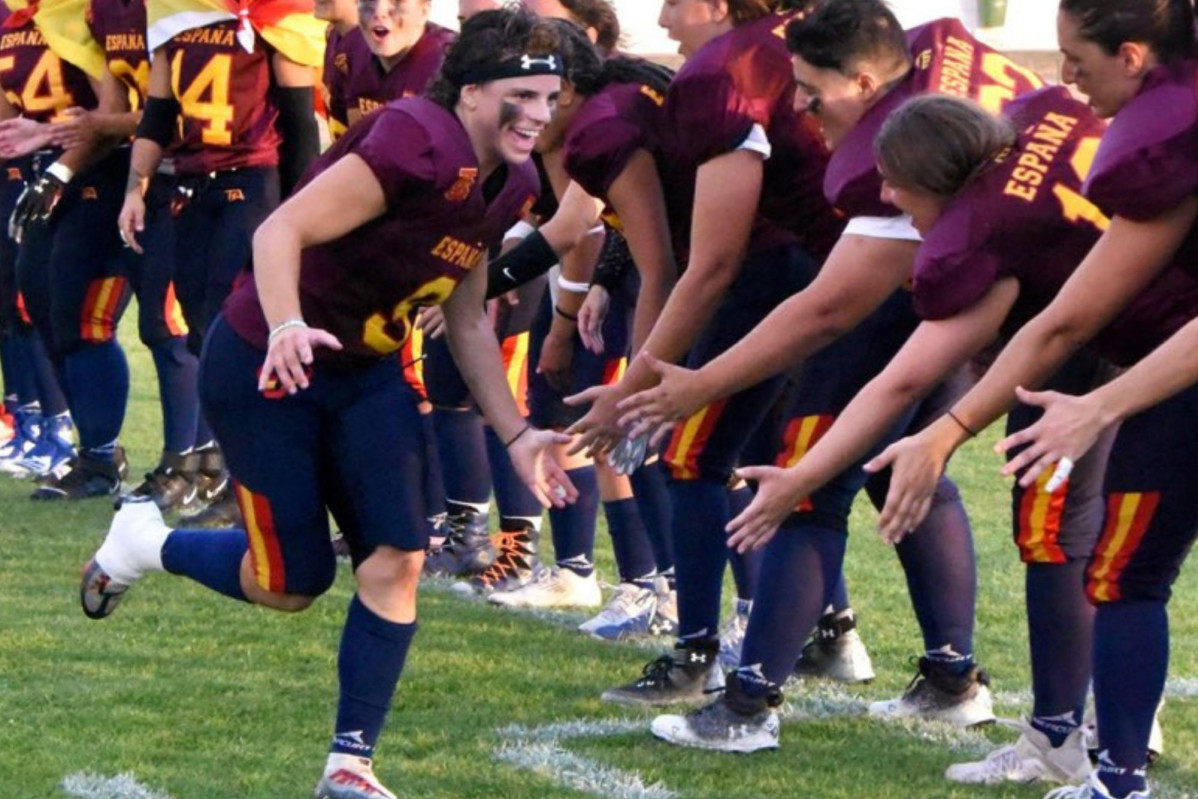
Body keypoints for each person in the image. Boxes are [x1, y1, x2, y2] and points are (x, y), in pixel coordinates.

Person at [80, 8, 577, 798]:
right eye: (523, 93)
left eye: (552, 96)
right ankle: (146, 544)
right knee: (291, 582)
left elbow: (466, 316)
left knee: (398, 556)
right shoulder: (416, 136)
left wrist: (516, 433)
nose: (542, 113)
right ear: (473, 90)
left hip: (365, 371)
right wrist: (284, 324)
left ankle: (350, 762)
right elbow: (279, 231)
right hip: (267, 364)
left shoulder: (512, 181)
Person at [863, 2, 1198, 797]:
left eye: (1077, 62)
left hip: (1155, 369)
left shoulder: (1160, 137)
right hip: (1151, 361)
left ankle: (1111, 767)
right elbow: (1059, 322)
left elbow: (1064, 323)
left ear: (1134, 53)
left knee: (1119, 569)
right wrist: (947, 430)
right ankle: (1103, 761)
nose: (1067, 82)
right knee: (1119, 571)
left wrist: (1105, 403)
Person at [118, 0, 323, 524]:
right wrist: (135, 190)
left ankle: (251, 478)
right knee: (198, 332)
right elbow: (158, 117)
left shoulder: (274, 19)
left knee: (229, 327)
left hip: (251, 185)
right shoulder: (176, 19)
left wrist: (297, 217)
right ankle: (225, 466)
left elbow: (300, 126)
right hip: (189, 187)